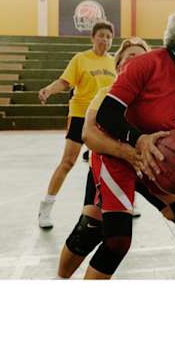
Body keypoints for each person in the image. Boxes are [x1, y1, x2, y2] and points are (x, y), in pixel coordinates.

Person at [79, 7, 175, 279]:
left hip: (159, 160)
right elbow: (107, 114)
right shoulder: (147, 64)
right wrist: (139, 140)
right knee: (113, 240)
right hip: (120, 155)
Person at [55, 34, 150, 279]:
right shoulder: (108, 93)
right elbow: (89, 134)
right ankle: (60, 278)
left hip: (142, 167)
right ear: (118, 67)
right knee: (91, 229)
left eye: (142, 59)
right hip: (110, 163)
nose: (136, 62)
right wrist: (126, 152)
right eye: (130, 57)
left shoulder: (155, 99)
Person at [34, 20, 117, 229]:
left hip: (103, 117)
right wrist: (48, 90)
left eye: (108, 36)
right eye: (101, 35)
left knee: (112, 163)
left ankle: (120, 205)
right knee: (68, 162)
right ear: (93, 37)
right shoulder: (81, 59)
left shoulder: (114, 62)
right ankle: (46, 207)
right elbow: (64, 82)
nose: (105, 39)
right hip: (81, 115)